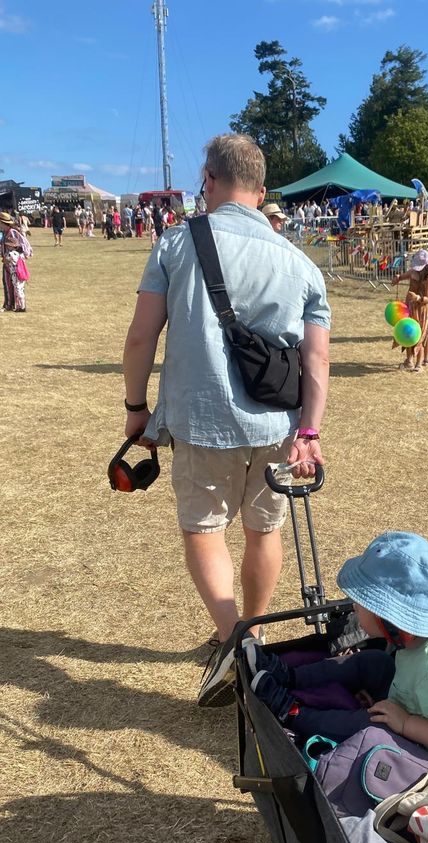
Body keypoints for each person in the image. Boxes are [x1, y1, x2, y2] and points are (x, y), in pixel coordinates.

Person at [121, 133, 331, 705]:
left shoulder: (174, 243)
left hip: (201, 417)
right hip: (279, 425)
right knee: (264, 531)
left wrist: (136, 408)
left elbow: (142, 335)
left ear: (208, 180)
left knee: (205, 528)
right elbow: (316, 359)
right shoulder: (299, 261)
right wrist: (309, 432)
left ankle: (233, 641)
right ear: (262, 194)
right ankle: (254, 631)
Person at [242, 532, 428, 765]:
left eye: (360, 604)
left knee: (372, 725)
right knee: (374, 661)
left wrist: (404, 723)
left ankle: (294, 714)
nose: (354, 608)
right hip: (422, 707)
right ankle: (289, 676)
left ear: (388, 620)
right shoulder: (427, 633)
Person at [392, 249, 428, 371]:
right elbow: (402, 276)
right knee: (407, 332)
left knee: (419, 335)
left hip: (422, 310)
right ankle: (409, 360)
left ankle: (419, 364)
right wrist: (397, 278)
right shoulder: (412, 272)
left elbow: (427, 298)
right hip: (410, 308)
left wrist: (418, 298)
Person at [1, 210, 32, 311]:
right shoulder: (4, 233)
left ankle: (19, 306)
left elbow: (25, 244)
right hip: (6, 262)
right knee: (7, 283)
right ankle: (9, 304)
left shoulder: (13, 232)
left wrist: (23, 255)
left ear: (4, 223)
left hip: (14, 263)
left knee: (17, 285)